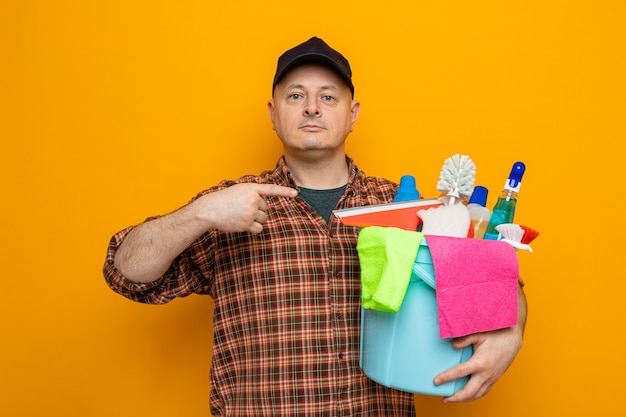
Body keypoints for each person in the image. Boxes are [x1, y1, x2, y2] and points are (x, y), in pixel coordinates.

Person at [103, 36, 527, 416]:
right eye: (295, 96)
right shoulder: (228, 206)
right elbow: (126, 273)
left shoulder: (412, 211)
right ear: (273, 113)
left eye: (328, 96)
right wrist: (200, 213)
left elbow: (496, 281)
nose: (311, 107)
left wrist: (511, 333)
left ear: (352, 114)